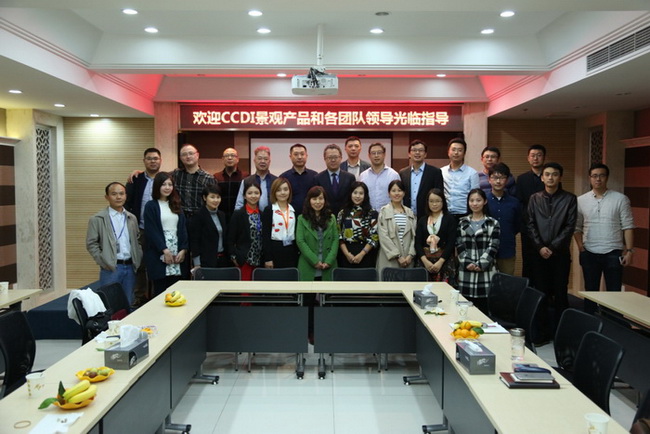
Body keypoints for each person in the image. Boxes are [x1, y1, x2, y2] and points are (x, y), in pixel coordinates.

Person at [527, 162, 576, 330]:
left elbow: (570, 226)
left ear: (560, 177)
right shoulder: (534, 198)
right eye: (547, 174)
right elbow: (530, 224)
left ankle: (561, 333)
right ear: (542, 178)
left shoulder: (570, 199)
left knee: (560, 293)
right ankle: (541, 332)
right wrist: (540, 246)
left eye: (554, 174)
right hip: (538, 254)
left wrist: (553, 247)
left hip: (560, 254)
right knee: (541, 293)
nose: (550, 178)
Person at [575, 163, 635, 292]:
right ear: (589, 178)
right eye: (594, 176)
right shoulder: (580, 200)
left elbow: (628, 226)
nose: (598, 179)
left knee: (614, 292)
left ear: (607, 177)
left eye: (602, 175)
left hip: (613, 251)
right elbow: (576, 227)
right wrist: (580, 246)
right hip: (589, 251)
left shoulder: (621, 199)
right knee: (591, 291)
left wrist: (629, 251)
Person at [86, 182, 142, 306]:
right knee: (109, 304)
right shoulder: (97, 219)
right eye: (114, 194)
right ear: (107, 197)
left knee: (128, 303)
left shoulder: (131, 218)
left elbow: (137, 240)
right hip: (111, 268)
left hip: (130, 266)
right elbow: (91, 243)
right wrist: (103, 261)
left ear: (126, 196)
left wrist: (138, 258)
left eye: (121, 193)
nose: (118, 197)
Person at [125, 147, 161, 306]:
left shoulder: (165, 179)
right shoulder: (136, 179)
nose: (153, 161)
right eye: (149, 158)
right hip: (140, 229)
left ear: (160, 160)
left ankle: (156, 295)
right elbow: (127, 202)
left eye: (155, 158)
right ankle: (139, 296)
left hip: (160, 230)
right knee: (139, 264)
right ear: (144, 161)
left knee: (157, 263)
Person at [456, 189, 500, 314]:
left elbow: (493, 246)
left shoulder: (493, 223)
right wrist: (467, 263)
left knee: (485, 311)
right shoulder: (462, 222)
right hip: (466, 271)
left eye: (478, 200)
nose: (475, 203)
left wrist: (481, 264)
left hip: (486, 271)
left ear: (485, 201)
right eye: (472, 200)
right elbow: (459, 245)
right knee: (465, 311)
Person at [143, 172, 188, 295]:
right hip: (159, 252)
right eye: (164, 184)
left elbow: (183, 229)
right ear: (157, 186)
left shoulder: (176, 205)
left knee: (177, 291)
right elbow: (151, 231)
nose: (167, 187)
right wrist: (164, 250)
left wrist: (183, 249)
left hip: (177, 252)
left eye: (170, 184)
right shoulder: (151, 206)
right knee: (160, 291)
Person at [517, 144, 547, 282]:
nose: (535, 158)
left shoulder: (549, 177)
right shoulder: (522, 179)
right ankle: (528, 290)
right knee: (528, 260)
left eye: (539, 155)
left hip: (546, 228)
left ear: (544, 158)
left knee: (544, 262)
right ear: (528, 158)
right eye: (533, 155)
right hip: (527, 228)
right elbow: (520, 203)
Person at [296, 186, 339, 281]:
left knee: (328, 290)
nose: (318, 202)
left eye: (320, 198)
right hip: (308, 263)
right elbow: (300, 241)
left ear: (325, 200)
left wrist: (329, 261)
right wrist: (315, 261)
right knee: (307, 291)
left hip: (328, 264)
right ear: (309, 200)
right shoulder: (301, 219)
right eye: (314, 199)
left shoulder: (331, 218)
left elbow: (335, 239)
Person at [415, 188, 457, 284]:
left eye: (437, 201)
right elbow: (417, 243)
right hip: (425, 262)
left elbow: (451, 243)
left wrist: (440, 262)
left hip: (444, 262)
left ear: (443, 202)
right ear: (427, 202)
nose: (434, 204)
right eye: (431, 201)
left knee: (444, 291)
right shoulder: (422, 220)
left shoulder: (449, 219)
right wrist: (425, 261)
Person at [486, 163, 521, 276]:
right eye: (495, 177)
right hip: (485, 250)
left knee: (507, 281)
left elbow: (517, 225)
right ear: (489, 179)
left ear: (507, 180)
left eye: (502, 178)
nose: (498, 181)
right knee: (487, 282)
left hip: (507, 248)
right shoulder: (483, 201)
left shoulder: (514, 202)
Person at [376, 180, 417, 274]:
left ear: (404, 193)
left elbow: (414, 237)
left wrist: (410, 255)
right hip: (390, 257)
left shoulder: (410, 212)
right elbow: (383, 236)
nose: (397, 193)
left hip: (407, 258)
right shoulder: (384, 211)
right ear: (389, 193)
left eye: (399, 190)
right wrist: (397, 256)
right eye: (393, 191)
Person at [336, 181, 379, 268]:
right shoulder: (342, 213)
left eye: (361, 193)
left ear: (365, 195)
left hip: (366, 253)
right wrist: (347, 254)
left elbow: (374, 237)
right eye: (355, 193)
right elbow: (338, 235)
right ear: (350, 194)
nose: (357, 196)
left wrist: (362, 254)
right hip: (346, 253)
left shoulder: (372, 213)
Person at [399, 139, 444, 218]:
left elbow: (439, 195)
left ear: (425, 154)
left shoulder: (435, 172)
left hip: (428, 216)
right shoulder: (403, 173)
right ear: (409, 154)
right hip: (407, 216)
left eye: (420, 150)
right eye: (414, 150)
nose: (417, 153)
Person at [189, 184, 229, 272]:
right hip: (205, 260)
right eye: (212, 197)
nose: (216, 200)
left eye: (218, 197)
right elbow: (194, 240)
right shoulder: (198, 215)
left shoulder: (222, 215)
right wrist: (197, 263)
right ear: (204, 198)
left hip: (222, 260)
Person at [229, 181, 264, 280]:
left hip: (260, 259)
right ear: (244, 196)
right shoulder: (238, 214)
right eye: (249, 193)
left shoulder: (262, 214)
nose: (253, 196)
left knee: (259, 287)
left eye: (256, 193)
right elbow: (230, 239)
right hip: (244, 259)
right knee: (245, 288)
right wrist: (233, 257)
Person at [262, 178, 299, 269]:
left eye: (285, 189)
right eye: (278, 190)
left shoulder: (294, 210)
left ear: (289, 191)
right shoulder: (269, 210)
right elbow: (265, 235)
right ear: (274, 192)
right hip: (274, 250)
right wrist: (268, 258)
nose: (282, 193)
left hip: (291, 250)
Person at [172, 144, 217, 219]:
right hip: (179, 217)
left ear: (197, 155)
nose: (188, 156)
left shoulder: (208, 178)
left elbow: (214, 201)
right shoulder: (175, 175)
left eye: (191, 153)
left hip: (201, 218)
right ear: (180, 158)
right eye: (184, 154)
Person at [441, 138, 479, 218]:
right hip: (445, 215)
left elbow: (475, 196)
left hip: (465, 215)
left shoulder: (472, 173)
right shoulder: (441, 172)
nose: (456, 153)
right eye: (453, 150)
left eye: (460, 150)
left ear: (464, 153)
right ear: (448, 152)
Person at [314, 144, 355, 216]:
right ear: (324, 159)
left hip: (345, 216)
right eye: (330, 157)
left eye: (335, 157)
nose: (333, 160)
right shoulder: (318, 178)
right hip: (325, 217)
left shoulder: (350, 177)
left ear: (341, 158)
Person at [359, 142, 400, 211]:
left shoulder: (393, 175)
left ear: (384, 155)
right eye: (373, 153)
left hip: (388, 214)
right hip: (367, 214)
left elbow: (399, 197)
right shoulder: (363, 176)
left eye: (379, 153)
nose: (376, 155)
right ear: (369, 156)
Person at [235, 146, 277, 212]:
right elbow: (239, 204)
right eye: (259, 158)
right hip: (251, 216)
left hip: (272, 216)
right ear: (254, 161)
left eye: (266, 159)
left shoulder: (276, 181)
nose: (262, 161)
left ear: (269, 161)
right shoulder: (246, 181)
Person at [279, 144, 317, 215]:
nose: (299, 157)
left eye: (302, 154)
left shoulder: (315, 176)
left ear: (306, 156)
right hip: (289, 216)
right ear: (290, 157)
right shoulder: (283, 177)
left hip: (311, 216)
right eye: (296, 154)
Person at [214, 148, 248, 222]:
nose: (229, 158)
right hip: (221, 217)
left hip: (240, 217)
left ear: (238, 159)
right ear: (222, 159)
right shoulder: (216, 177)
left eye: (232, 155)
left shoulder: (245, 177)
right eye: (227, 156)